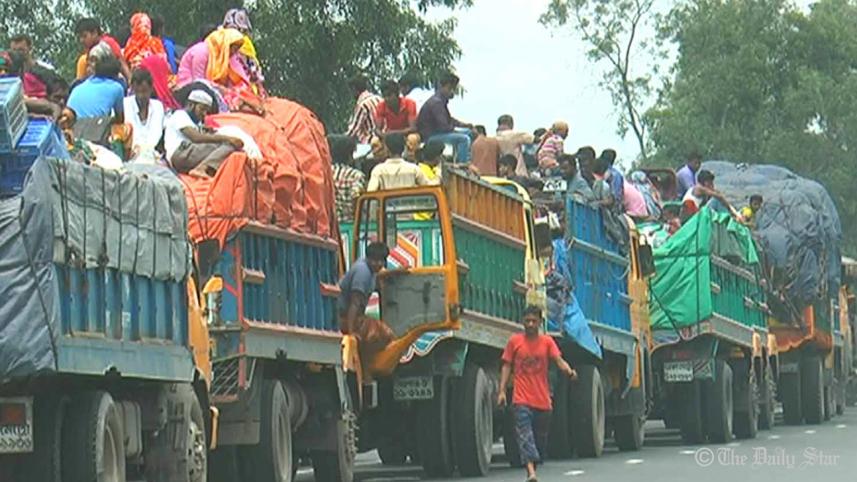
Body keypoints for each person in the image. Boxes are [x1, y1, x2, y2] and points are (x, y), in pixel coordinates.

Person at [498, 306, 577, 482]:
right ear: (522, 322)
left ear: (540, 322)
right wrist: (502, 391)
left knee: (539, 441)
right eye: (527, 321)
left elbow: (558, 361)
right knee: (524, 436)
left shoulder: (547, 342)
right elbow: (506, 366)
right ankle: (530, 473)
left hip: (543, 402)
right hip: (521, 400)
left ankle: (534, 463)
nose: (530, 324)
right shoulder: (514, 342)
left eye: (534, 321)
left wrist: (570, 372)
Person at [164, 89, 244, 176]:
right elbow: (196, 137)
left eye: (206, 111)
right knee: (228, 144)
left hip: (186, 156)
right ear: (191, 105)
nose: (204, 114)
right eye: (202, 109)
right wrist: (227, 138)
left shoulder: (196, 123)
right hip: (180, 154)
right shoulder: (180, 115)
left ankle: (205, 168)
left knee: (231, 150)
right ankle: (201, 168)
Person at [416, 72, 475, 163]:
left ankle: (458, 158)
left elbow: (449, 119)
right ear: (441, 87)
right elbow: (444, 127)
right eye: (449, 88)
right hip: (431, 136)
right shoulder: (436, 103)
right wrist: (455, 130)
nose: (452, 92)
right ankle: (462, 165)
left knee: (469, 133)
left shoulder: (441, 101)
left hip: (439, 133)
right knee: (463, 139)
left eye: (453, 89)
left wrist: (464, 125)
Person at [338, 241, 390, 336]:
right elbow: (354, 304)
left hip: (352, 315)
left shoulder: (372, 270)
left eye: (381, 261)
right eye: (375, 261)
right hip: (342, 316)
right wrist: (351, 333)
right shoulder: (363, 272)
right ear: (368, 258)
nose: (378, 264)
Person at [222, 8, 266, 96]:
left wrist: (259, 86)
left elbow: (253, 66)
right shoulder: (223, 39)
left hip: (244, 88)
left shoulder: (244, 42)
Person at [366, 133, 431, 191]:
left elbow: (370, 192)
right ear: (403, 148)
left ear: (387, 149)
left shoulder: (378, 170)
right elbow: (430, 188)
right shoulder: (414, 169)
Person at [124, 69, 165, 160]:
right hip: (131, 153)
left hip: (152, 154)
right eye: (137, 92)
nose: (141, 96)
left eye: (144, 91)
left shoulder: (158, 106)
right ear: (133, 89)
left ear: (151, 89)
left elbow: (156, 132)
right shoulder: (125, 104)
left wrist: (147, 149)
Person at [329, 134, 365, 222]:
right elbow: (356, 199)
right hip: (350, 225)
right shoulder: (355, 176)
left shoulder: (325, 173)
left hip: (330, 225)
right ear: (350, 156)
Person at [345, 75, 382, 144]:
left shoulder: (362, 105)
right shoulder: (379, 98)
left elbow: (353, 130)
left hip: (370, 141)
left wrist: (340, 141)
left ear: (354, 89)